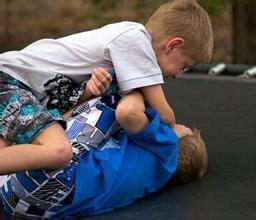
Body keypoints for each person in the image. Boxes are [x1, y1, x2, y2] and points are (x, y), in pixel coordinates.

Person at [0, 0, 213, 173]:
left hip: (22, 89)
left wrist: (88, 92)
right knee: (58, 150)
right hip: (10, 79)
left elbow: (66, 106)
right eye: (184, 66)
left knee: (10, 152)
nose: (177, 75)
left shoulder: (120, 65)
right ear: (173, 45)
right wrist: (172, 131)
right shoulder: (134, 39)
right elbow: (163, 113)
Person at [0, 90, 207, 219]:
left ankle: (29, 125)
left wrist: (137, 86)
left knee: (112, 101)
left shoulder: (167, 149)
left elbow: (128, 112)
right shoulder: (153, 178)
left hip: (59, 178)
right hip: (25, 206)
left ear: (183, 135)